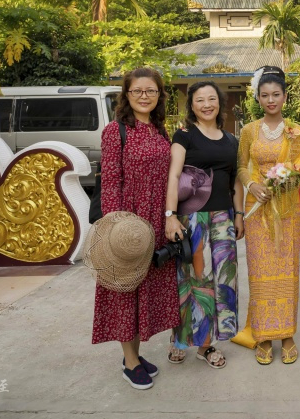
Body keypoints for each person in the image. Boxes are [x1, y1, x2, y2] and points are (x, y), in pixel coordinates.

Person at [92, 67, 179, 390]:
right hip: (128, 223)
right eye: (137, 91)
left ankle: (137, 354)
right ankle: (129, 361)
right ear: (126, 95)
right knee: (125, 288)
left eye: (151, 91)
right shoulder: (116, 131)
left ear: (159, 96)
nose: (145, 96)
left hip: (156, 221)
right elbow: (111, 179)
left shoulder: (160, 130)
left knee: (145, 290)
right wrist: (116, 227)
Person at [163, 82, 244, 367]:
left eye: (212, 99)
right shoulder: (184, 135)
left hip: (223, 217)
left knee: (223, 280)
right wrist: (170, 214)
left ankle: (206, 345)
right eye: (200, 100)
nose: (207, 104)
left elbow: (235, 179)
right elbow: (173, 176)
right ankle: (181, 338)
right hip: (192, 218)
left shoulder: (232, 139)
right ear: (192, 105)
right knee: (193, 281)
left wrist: (239, 214)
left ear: (219, 103)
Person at [237, 66, 300, 365]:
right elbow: (241, 166)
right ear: (257, 97)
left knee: (287, 272)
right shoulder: (249, 131)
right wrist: (252, 184)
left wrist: (286, 179)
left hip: (287, 209)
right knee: (260, 274)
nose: (271, 100)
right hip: (257, 211)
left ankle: (288, 334)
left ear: (284, 97)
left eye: (276, 95)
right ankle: (264, 336)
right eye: (265, 95)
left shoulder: (296, 132)